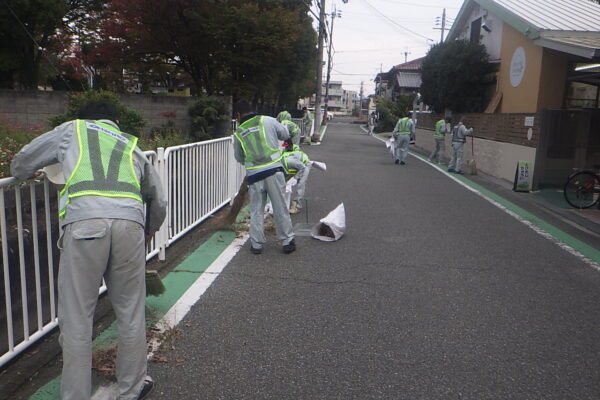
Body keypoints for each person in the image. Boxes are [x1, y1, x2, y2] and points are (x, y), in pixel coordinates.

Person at [10, 101, 167, 400]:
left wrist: (24, 172)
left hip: (85, 225)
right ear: (114, 121)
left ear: (83, 118)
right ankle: (132, 389)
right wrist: (149, 230)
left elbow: (21, 163)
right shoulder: (130, 143)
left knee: (77, 317)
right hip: (131, 225)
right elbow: (157, 199)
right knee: (130, 313)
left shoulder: (72, 129)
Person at [232, 100, 296, 254]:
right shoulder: (267, 120)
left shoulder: (238, 133)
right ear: (252, 109)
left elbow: (239, 158)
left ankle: (256, 245)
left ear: (238, 115)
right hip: (274, 171)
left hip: (254, 176)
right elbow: (285, 134)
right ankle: (287, 241)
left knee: (256, 210)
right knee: (280, 206)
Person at [281, 143, 311, 214]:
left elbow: (303, 168)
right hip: (295, 165)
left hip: (305, 165)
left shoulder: (290, 161)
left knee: (301, 183)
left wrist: (295, 178)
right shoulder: (282, 159)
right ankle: (282, 202)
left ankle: (296, 204)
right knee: (285, 182)